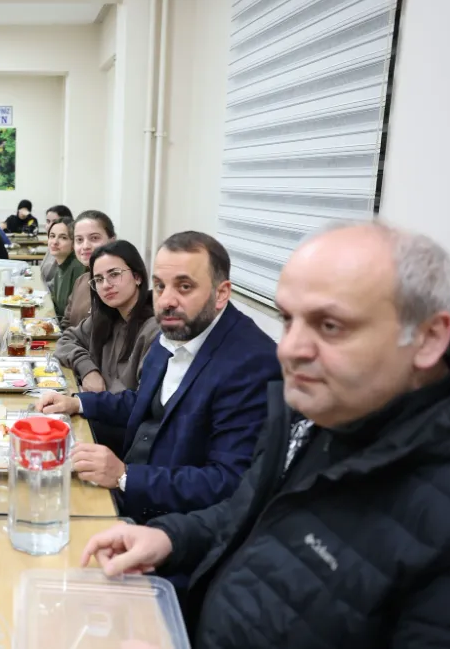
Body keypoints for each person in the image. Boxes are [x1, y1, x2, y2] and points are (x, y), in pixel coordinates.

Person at [81, 223, 450, 648]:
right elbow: (246, 509)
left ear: (428, 338)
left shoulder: (447, 518)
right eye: (289, 319)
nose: (289, 349)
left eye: (331, 325)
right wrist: (171, 538)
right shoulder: (315, 411)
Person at [37, 231, 279, 523]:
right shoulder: (176, 331)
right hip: (128, 492)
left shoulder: (251, 363)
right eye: (160, 286)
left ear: (221, 293)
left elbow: (228, 482)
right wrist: (78, 403)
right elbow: (143, 403)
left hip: (169, 525)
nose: (166, 300)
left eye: (184, 286)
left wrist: (126, 476)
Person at [55, 240, 160, 452]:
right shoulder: (106, 317)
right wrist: (88, 370)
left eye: (114, 274)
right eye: (99, 279)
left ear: (138, 276)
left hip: (128, 437)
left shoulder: (155, 330)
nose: (106, 285)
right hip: (101, 416)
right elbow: (65, 340)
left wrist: (80, 402)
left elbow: (141, 403)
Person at [61, 210, 117, 329]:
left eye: (94, 238)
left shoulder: (118, 284)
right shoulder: (81, 281)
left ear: (112, 241)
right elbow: (67, 324)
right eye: (79, 240)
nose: (85, 246)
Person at [45, 217, 84, 317]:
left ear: (74, 243)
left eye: (63, 237)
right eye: (52, 236)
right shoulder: (61, 265)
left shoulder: (78, 268)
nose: (55, 242)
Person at [39, 205, 74, 284]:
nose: (50, 226)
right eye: (48, 221)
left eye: (54, 222)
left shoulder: (64, 251)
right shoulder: (52, 245)